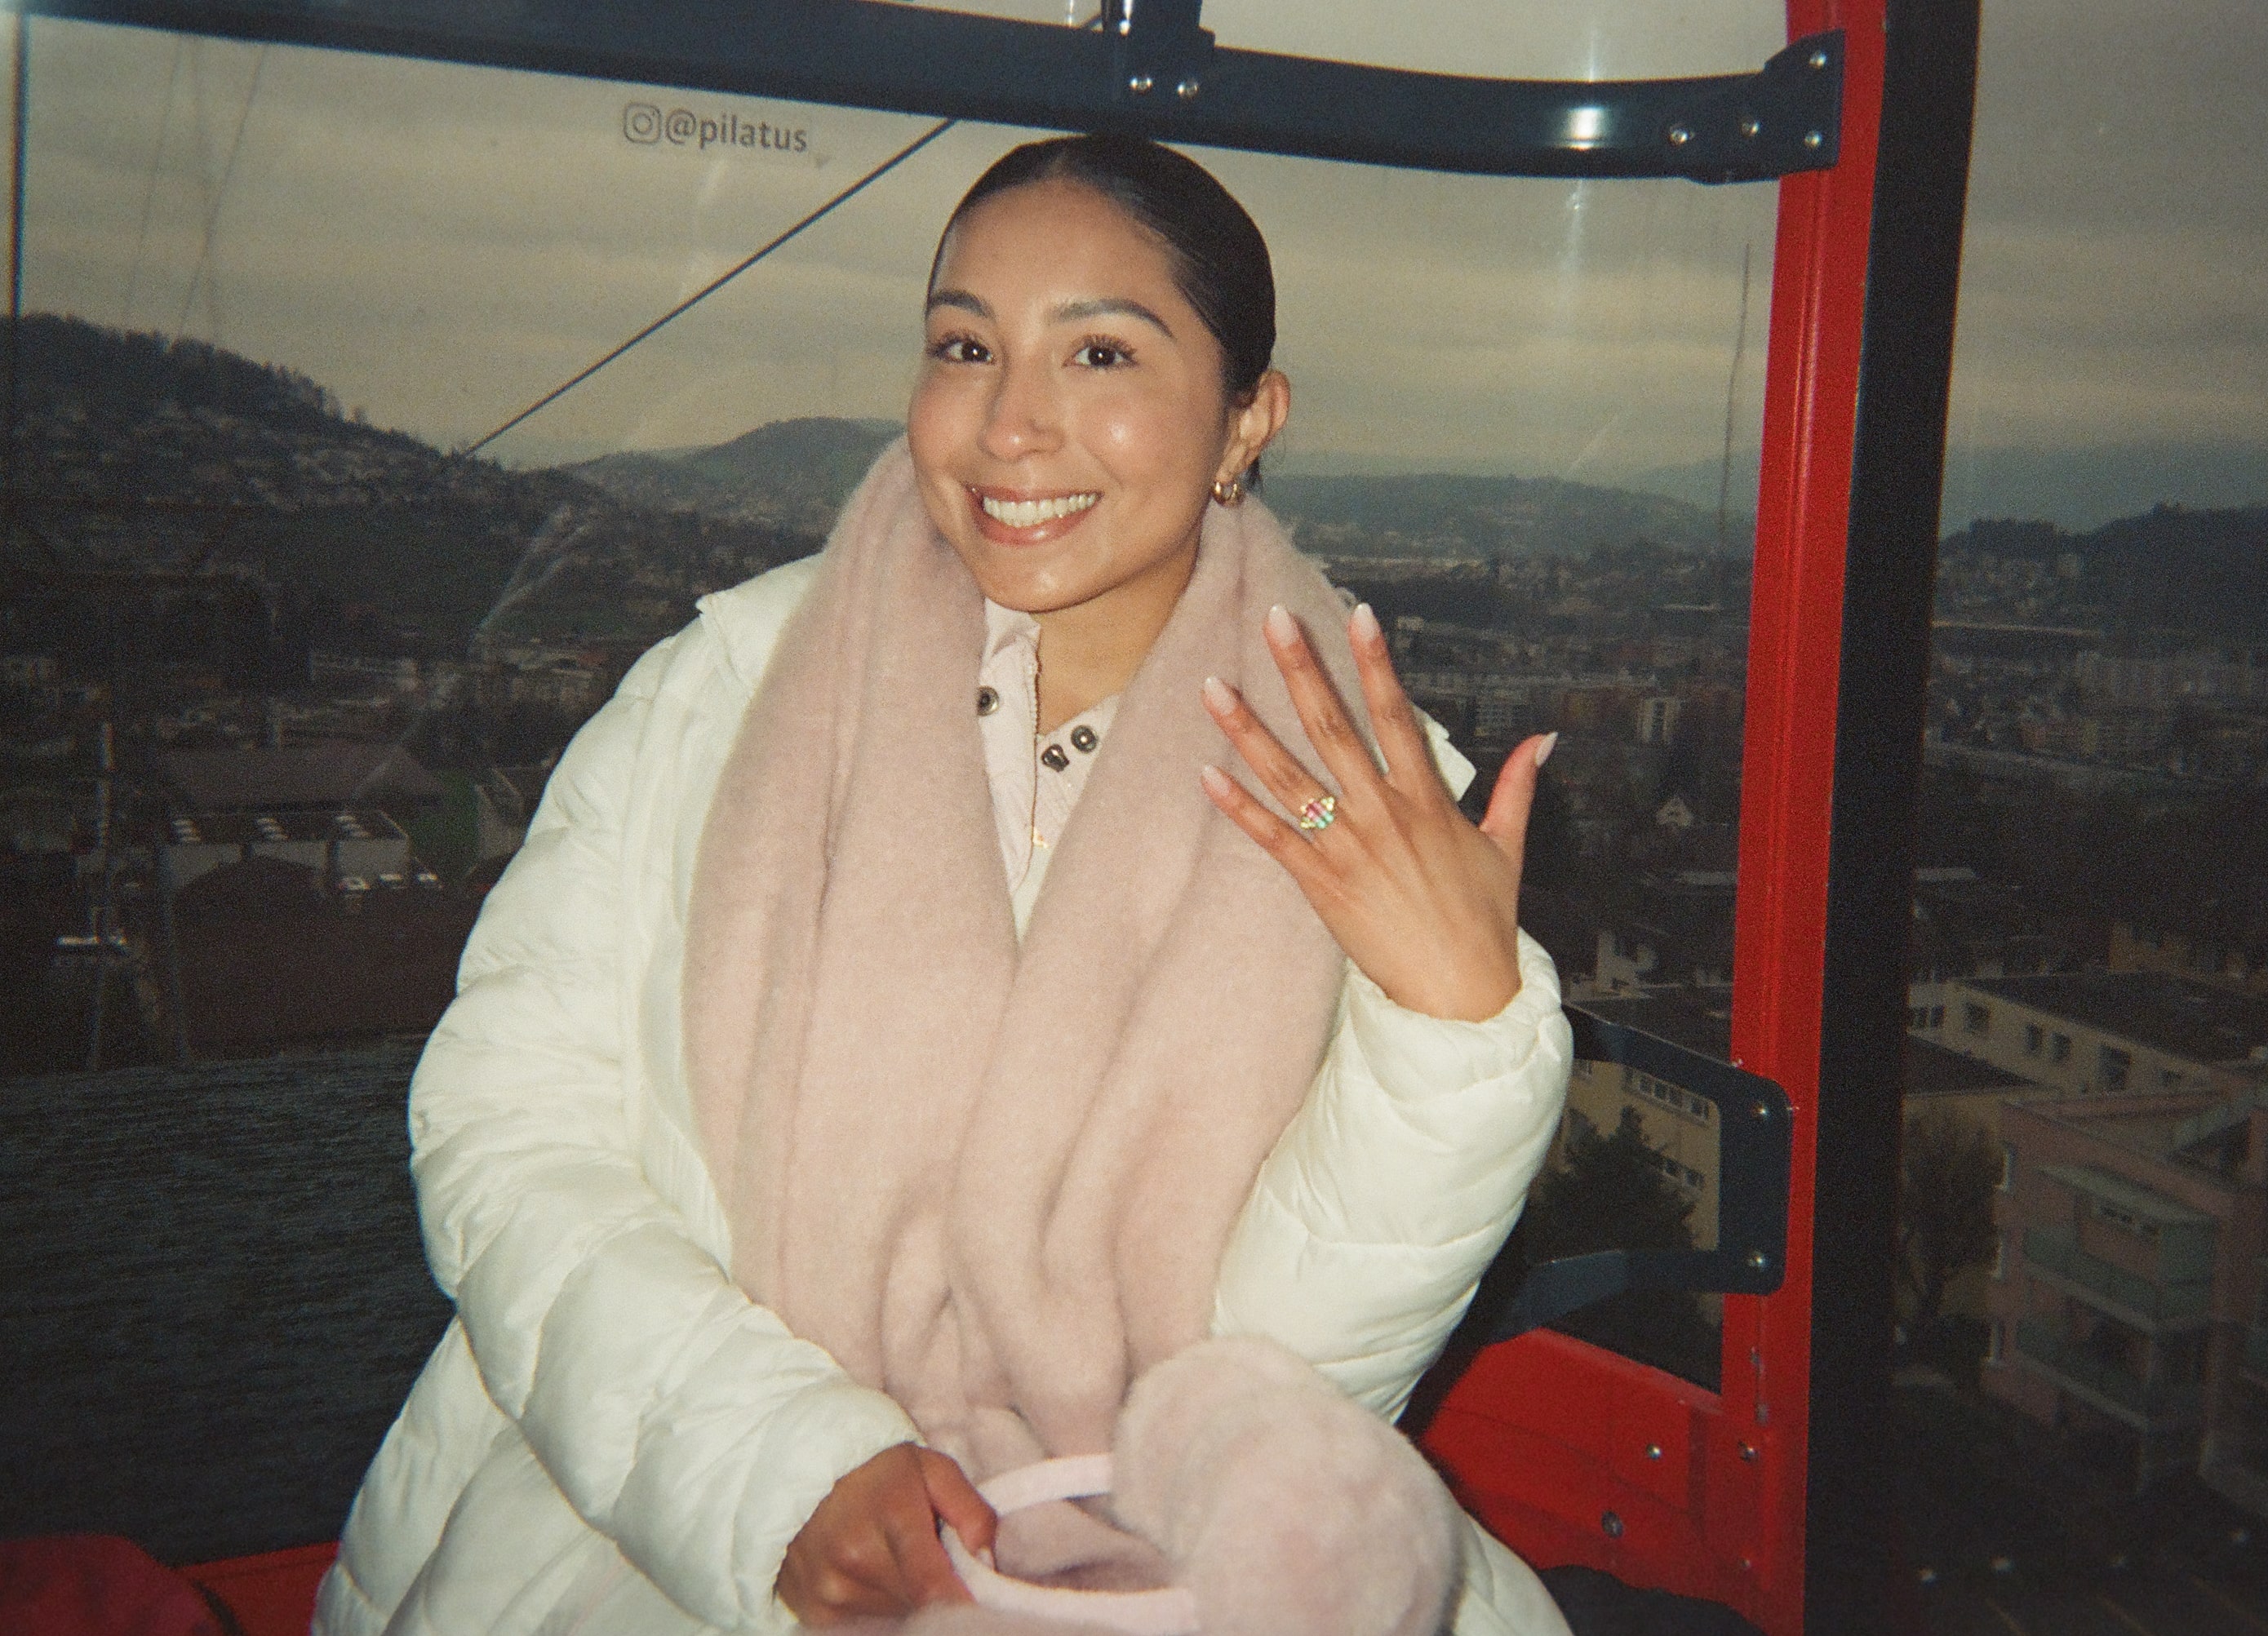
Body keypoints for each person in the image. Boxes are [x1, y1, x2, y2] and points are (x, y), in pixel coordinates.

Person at [317, 135, 1575, 1636]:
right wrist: (777, 1466)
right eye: (965, 347)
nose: (1010, 425)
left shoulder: (1368, 801)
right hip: (678, 1513)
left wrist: (1453, 1032)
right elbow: (511, 1129)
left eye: (1100, 352)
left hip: (1164, 1549)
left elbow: (1293, 1380)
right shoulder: (722, 696)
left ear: (1248, 417)